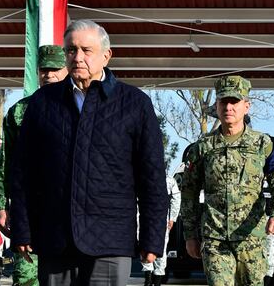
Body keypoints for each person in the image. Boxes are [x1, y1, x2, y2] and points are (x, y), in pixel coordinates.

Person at [10, 19, 168, 286]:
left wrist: (153, 237)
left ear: (106, 56)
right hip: (54, 238)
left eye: (86, 50)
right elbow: (23, 173)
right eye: (71, 50)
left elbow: (152, 178)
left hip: (110, 240)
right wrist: (22, 230)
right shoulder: (42, 103)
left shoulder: (135, 104)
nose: (78, 57)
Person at [180, 75, 274, 286]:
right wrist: (190, 235)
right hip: (215, 239)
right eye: (224, 102)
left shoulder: (262, 144)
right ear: (217, 105)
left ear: (246, 106)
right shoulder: (203, 148)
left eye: (234, 101)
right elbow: (189, 193)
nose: (228, 107)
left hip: (251, 238)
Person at [0, 44, 68, 286]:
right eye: (44, 69)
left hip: (71, 210)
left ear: (67, 70)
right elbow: (6, 162)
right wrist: (2, 206)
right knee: (26, 276)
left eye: (55, 69)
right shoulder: (20, 112)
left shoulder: (81, 107)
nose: (49, 75)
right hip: (31, 210)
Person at [142, 174, 180, 286]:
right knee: (148, 246)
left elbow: (176, 198)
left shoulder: (169, 180)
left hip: (160, 217)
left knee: (159, 248)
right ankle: (149, 279)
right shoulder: (143, 177)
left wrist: (172, 217)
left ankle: (156, 279)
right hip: (148, 216)